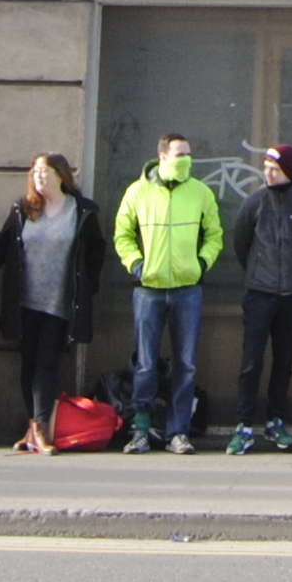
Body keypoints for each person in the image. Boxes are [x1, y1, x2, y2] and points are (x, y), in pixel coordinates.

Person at [113, 130, 223, 454]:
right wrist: (136, 265)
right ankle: (142, 430)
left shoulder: (201, 193)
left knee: (186, 364)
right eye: (179, 154)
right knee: (146, 364)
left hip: (187, 289)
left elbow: (215, 235)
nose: (186, 159)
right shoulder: (137, 192)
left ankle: (178, 432)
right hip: (148, 289)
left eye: (188, 154)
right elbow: (123, 234)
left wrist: (201, 264)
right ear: (162, 157)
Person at [228, 141, 292, 454]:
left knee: (284, 362)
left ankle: (276, 420)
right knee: (250, 361)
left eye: (275, 169)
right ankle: (243, 426)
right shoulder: (254, 202)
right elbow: (241, 242)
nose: (268, 174)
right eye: (266, 168)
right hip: (259, 292)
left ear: (289, 171)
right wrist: (258, 272)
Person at [7, 153, 106, 454]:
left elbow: (95, 253)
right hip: (25, 301)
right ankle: (32, 426)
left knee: (46, 363)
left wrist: (87, 288)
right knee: (27, 364)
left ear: (61, 175)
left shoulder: (80, 211)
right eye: (35, 171)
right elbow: (4, 244)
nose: (39, 176)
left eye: (45, 171)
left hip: (59, 302)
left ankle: (42, 429)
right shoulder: (23, 209)